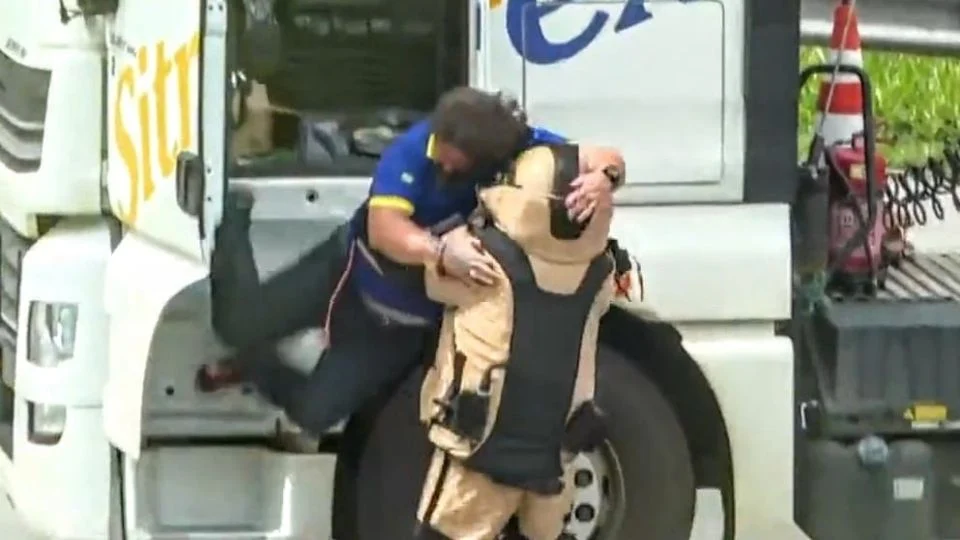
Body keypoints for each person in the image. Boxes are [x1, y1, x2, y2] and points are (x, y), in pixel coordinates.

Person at [203, 86, 625, 440]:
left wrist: (602, 179)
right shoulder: (412, 150)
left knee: (313, 414)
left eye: (453, 159)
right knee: (235, 324)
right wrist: (439, 252)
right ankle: (234, 220)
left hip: (400, 327)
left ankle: (255, 368)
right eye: (438, 147)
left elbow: (604, 156)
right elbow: (385, 228)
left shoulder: (520, 146)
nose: (440, 160)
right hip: (351, 272)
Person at [415, 144, 616, 540]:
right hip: (553, 453)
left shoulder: (482, 258)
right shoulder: (600, 275)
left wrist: (446, 241)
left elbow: (432, 280)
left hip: (480, 450)